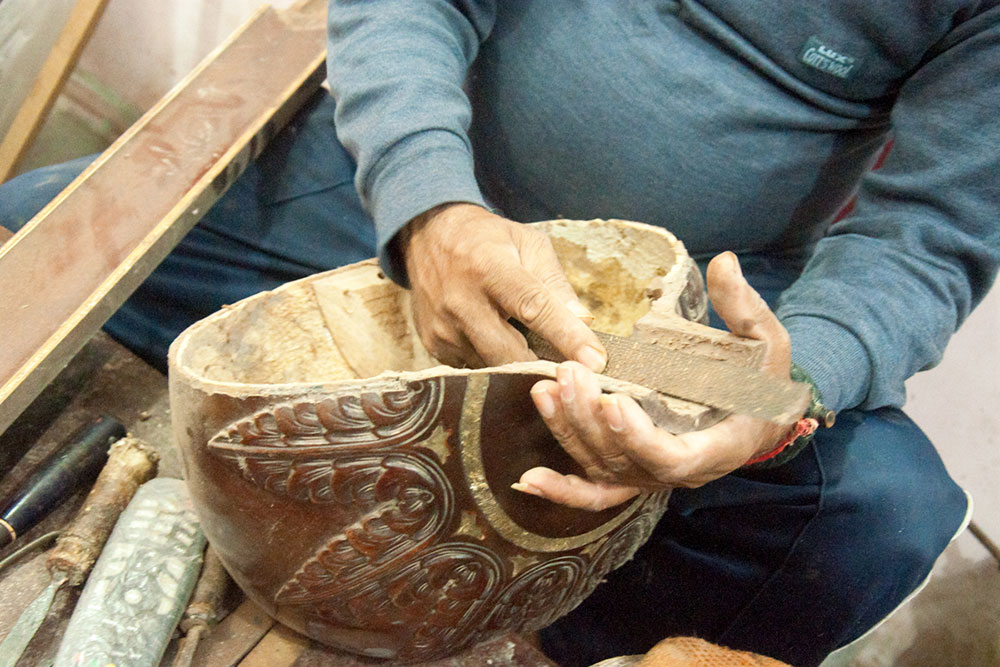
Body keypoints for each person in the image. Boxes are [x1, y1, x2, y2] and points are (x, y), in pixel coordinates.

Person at [2, 2, 996, 665]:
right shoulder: (423, 195)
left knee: (878, 513)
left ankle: (540, 637)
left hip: (662, 326)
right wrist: (428, 202)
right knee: (33, 249)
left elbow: (929, 235)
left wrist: (782, 391)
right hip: (415, 198)